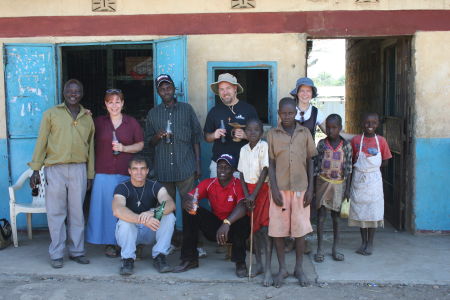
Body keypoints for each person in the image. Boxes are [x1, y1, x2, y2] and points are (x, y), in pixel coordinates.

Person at [28, 79, 95, 268]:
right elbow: (41, 141)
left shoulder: (86, 117)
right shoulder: (51, 114)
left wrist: (90, 174)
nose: (73, 94)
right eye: (69, 91)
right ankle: (56, 253)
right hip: (55, 169)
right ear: (64, 93)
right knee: (56, 212)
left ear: (82, 94)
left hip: (79, 168)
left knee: (77, 213)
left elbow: (91, 148)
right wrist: (35, 169)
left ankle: (77, 251)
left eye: (77, 91)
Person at [86, 89, 144, 257]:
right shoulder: (98, 122)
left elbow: (140, 144)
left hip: (126, 173)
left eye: (117, 101)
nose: (114, 105)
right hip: (103, 172)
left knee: (125, 209)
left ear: (123, 103)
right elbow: (83, 130)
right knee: (106, 210)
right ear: (105, 104)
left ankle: (127, 242)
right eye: (110, 102)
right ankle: (110, 243)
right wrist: (84, 113)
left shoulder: (131, 122)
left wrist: (124, 148)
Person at [173, 154, 250, 278]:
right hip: (216, 228)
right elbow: (191, 195)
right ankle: (190, 259)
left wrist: (227, 223)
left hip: (233, 228)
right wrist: (187, 201)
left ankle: (240, 263)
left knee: (243, 220)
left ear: (234, 170)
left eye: (227, 167)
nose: (222, 170)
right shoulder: (209, 183)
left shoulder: (238, 184)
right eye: (220, 167)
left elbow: (243, 206)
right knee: (190, 210)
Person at [267, 97, 317, 287]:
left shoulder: (305, 133)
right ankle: (282, 268)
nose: (287, 116)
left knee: (300, 230)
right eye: (283, 113)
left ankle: (299, 268)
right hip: (279, 190)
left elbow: (311, 160)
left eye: (290, 113)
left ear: (296, 112)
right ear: (278, 114)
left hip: (301, 189)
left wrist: (311, 188)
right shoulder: (272, 134)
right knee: (278, 231)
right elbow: (270, 163)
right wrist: (273, 188)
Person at [112, 156, 176, 275]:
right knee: (124, 221)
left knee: (169, 216)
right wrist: (141, 219)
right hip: (130, 232)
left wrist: (153, 213)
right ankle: (127, 259)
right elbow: (117, 209)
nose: (139, 172)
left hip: (149, 230)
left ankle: (159, 257)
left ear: (147, 171)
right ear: (129, 171)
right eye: (135, 169)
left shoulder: (155, 186)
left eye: (142, 169)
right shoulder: (122, 187)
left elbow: (170, 204)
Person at [145, 74, 202, 205]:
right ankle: (169, 227)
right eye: (162, 89)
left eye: (168, 87)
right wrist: (157, 136)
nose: (166, 91)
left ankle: (189, 227)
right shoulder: (152, 114)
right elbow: (149, 143)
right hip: (163, 170)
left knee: (190, 207)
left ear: (174, 88)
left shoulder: (187, 109)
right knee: (164, 210)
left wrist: (198, 165)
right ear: (158, 92)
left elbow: (196, 138)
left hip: (186, 169)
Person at [349, 113, 392, 256]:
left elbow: (385, 161)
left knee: (373, 212)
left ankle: (370, 243)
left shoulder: (381, 141)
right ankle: (363, 242)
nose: (370, 126)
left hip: (374, 180)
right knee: (361, 213)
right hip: (359, 179)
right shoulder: (355, 141)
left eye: (373, 123)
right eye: (367, 123)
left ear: (378, 124)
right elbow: (351, 160)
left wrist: (372, 168)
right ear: (362, 123)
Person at [237, 118, 272, 286]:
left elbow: (265, 171)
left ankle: (268, 270)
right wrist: (246, 195)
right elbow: (242, 175)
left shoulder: (264, 147)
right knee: (254, 230)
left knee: (264, 230)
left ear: (261, 133)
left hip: (262, 190)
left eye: (256, 130)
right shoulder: (243, 149)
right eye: (249, 130)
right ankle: (258, 264)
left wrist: (254, 195)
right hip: (249, 193)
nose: (252, 133)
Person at [314, 114, 353, 263]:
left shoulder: (346, 146)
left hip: (339, 185)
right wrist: (312, 188)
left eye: (334, 128)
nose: (331, 131)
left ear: (340, 128)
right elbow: (316, 165)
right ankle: (319, 249)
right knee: (321, 217)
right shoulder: (322, 144)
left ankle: (335, 248)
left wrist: (347, 189)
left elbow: (348, 168)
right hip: (322, 183)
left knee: (336, 218)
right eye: (328, 128)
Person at [204, 73, 258, 177]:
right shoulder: (214, 111)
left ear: (235, 89)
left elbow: (258, 137)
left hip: (242, 166)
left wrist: (245, 135)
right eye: (221, 89)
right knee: (217, 193)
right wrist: (214, 135)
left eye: (228, 88)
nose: (225, 92)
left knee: (242, 194)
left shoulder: (248, 109)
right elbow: (206, 137)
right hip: (218, 166)